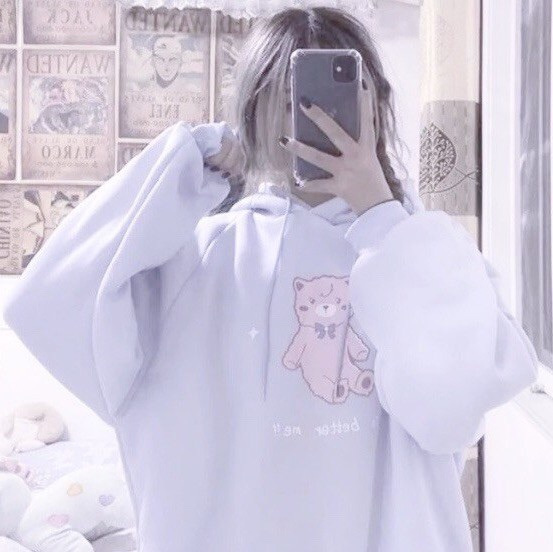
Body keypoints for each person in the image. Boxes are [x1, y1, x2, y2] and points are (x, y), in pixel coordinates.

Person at [3, 7, 538, 552]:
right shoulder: (198, 261)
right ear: (252, 111)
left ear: (375, 108)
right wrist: (188, 164)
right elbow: (48, 302)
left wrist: (379, 213)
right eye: (288, 100)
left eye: (335, 96)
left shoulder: (427, 252)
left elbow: (451, 414)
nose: (311, 117)